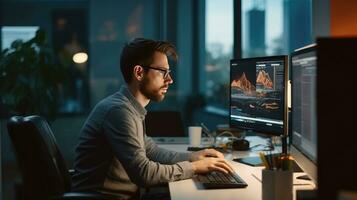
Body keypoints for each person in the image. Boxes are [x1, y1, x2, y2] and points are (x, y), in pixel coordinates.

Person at [72, 38, 234, 199]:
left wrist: (193, 157)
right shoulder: (119, 112)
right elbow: (144, 174)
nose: (170, 80)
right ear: (139, 72)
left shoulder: (129, 108)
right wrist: (194, 168)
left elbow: (152, 151)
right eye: (163, 72)